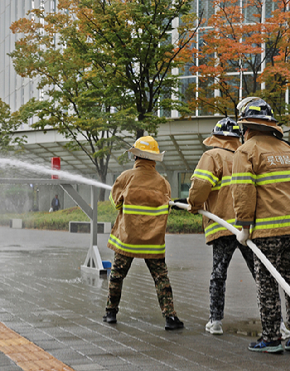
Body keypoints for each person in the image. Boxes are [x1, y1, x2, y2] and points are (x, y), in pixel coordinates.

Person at [230, 97, 290, 354]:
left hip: (268, 230)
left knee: (268, 283)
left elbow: (243, 191)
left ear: (245, 126)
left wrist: (243, 227)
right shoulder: (287, 150)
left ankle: (271, 338)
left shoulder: (246, 151)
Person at [103, 136, 184, 330]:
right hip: (152, 241)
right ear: (154, 159)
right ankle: (170, 317)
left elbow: (115, 203)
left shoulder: (125, 177)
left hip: (127, 240)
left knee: (117, 275)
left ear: (136, 156)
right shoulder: (163, 183)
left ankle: (111, 312)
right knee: (161, 278)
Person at [184, 118, 255, 335]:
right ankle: (277, 321)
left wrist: (194, 205)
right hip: (246, 226)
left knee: (218, 272)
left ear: (216, 138)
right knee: (259, 274)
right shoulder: (245, 157)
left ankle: (215, 321)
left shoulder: (212, 155)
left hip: (223, 225)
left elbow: (201, 184)